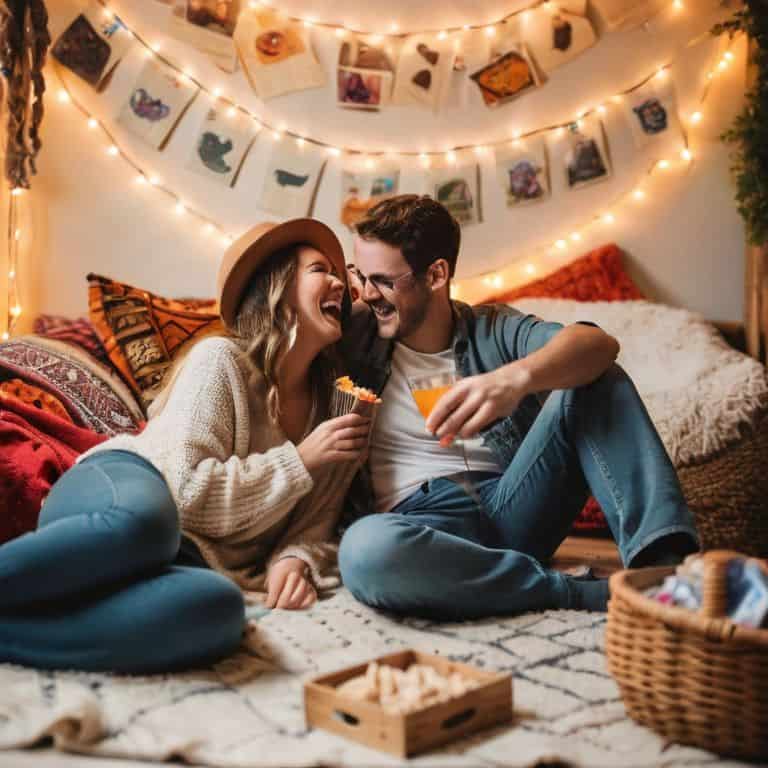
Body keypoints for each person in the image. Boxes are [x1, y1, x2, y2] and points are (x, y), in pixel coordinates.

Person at [0, 218, 369, 672]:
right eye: (319, 270)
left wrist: (293, 561)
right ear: (277, 286)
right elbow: (185, 493)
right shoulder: (221, 361)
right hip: (126, 487)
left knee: (217, 613)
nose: (339, 282)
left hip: (191, 559)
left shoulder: (339, 406)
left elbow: (317, 526)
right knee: (147, 527)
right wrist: (301, 460)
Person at [338, 195, 699, 620]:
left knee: (598, 376)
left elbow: (598, 344)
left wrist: (512, 381)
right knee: (364, 551)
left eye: (381, 280)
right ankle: (579, 593)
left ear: (436, 274)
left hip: (513, 504)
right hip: (422, 527)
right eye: (358, 275)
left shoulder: (491, 328)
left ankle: (662, 576)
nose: (364, 292)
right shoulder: (356, 334)